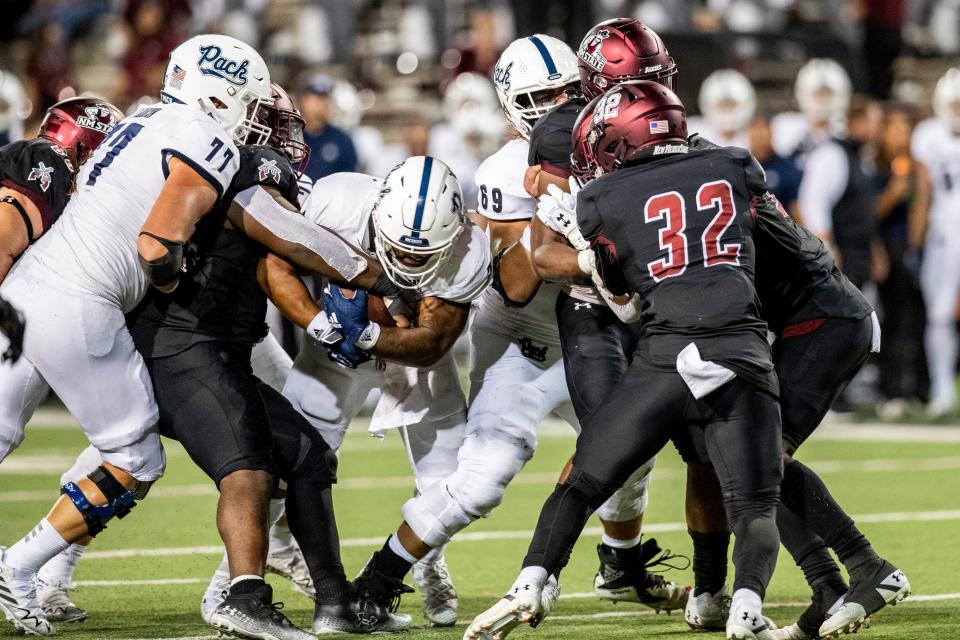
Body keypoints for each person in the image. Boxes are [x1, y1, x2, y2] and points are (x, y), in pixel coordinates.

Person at [468, 80, 784, 640]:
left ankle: (530, 583)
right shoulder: (734, 163)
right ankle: (745, 608)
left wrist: (578, 237)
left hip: (664, 356)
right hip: (739, 348)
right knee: (754, 506)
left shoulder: (600, 199)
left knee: (583, 480)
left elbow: (593, 281)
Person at [525, 18, 690, 613]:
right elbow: (543, 256)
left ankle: (627, 562)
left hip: (658, 304)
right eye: (646, 82)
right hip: (591, 304)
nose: (659, 95)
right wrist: (596, 265)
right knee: (610, 440)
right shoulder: (561, 136)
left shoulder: (668, 127)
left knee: (693, 442)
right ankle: (542, 571)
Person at [909, 67, 960, 417]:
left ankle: (943, 389)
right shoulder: (928, 134)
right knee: (939, 314)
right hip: (943, 233)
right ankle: (942, 388)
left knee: (940, 314)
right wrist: (916, 243)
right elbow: (923, 195)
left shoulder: (929, 134)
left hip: (945, 232)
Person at [798, 96, 881, 289]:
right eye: (872, 122)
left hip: (861, 252)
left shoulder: (861, 156)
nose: (877, 129)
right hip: (842, 251)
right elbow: (813, 201)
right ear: (855, 122)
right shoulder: (831, 155)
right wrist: (826, 247)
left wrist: (875, 250)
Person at [299, 74, 358, 181]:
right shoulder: (288, 138)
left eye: (322, 99)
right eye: (312, 98)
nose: (316, 105)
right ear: (303, 100)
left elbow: (348, 184)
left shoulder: (342, 141)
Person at [688, 68, 756, 149]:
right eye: (722, 105)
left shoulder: (757, 135)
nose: (727, 111)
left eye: (732, 105)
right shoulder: (691, 131)